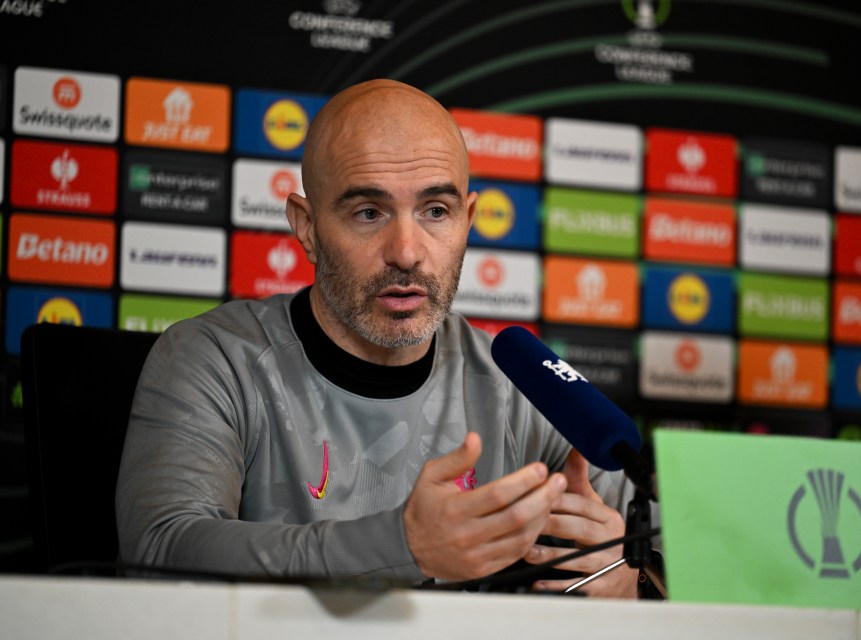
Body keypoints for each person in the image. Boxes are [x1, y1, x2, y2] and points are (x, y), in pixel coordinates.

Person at [115, 79, 638, 598]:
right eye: (369, 212)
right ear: (307, 227)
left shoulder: (519, 382)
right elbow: (161, 550)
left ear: (469, 221)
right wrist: (401, 546)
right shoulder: (217, 359)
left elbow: (659, 552)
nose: (407, 252)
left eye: (436, 211)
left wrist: (627, 577)